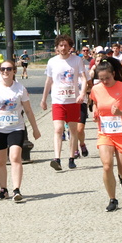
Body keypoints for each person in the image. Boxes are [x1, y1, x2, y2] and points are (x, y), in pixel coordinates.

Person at [0, 60, 41, 201]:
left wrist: (35, 129)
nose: (5, 71)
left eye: (9, 69)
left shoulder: (20, 88)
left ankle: (16, 189)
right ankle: (3, 189)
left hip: (16, 128)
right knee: (0, 161)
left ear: (14, 71)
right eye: (2, 69)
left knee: (15, 157)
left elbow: (28, 110)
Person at [89, 60, 122, 212]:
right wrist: (95, 112)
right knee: (107, 165)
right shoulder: (96, 89)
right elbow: (95, 103)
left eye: (107, 78)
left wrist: (121, 113)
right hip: (105, 133)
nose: (104, 81)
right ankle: (112, 199)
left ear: (113, 74)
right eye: (101, 79)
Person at [40, 35, 89, 171]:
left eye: (66, 45)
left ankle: (72, 157)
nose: (63, 48)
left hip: (73, 100)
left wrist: (82, 93)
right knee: (58, 129)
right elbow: (48, 81)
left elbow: (84, 79)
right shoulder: (52, 62)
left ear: (70, 47)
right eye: (60, 45)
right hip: (58, 100)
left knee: (73, 130)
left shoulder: (77, 60)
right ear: (57, 47)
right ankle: (57, 158)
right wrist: (44, 99)